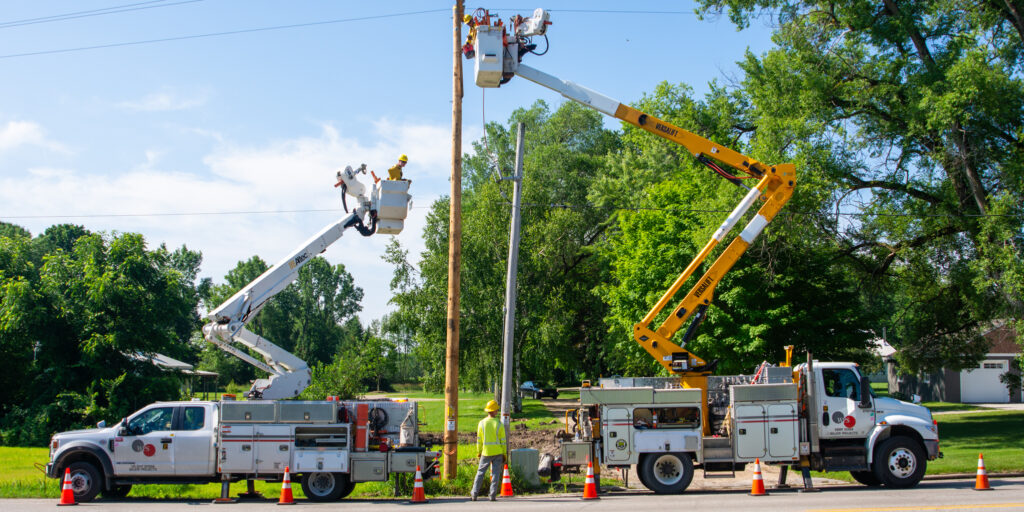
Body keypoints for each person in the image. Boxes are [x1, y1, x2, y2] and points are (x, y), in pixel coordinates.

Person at [471, 400, 507, 501]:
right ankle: (492, 495)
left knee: (480, 473)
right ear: (495, 411)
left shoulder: (481, 423)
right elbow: (503, 441)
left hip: (485, 452)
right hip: (498, 452)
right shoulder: (499, 424)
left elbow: (479, 439)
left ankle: (474, 494)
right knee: (495, 474)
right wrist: (504, 453)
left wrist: (479, 451)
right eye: (496, 410)